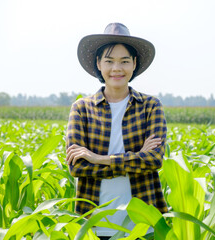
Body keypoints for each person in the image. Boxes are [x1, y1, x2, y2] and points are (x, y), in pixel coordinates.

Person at [65, 23, 168, 239]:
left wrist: (97, 158)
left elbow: (154, 161)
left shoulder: (151, 106)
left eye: (124, 61)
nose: (116, 68)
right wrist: (136, 159)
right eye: (109, 61)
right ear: (98, 64)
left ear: (134, 64)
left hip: (143, 225)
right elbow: (78, 167)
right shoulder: (82, 108)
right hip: (95, 223)